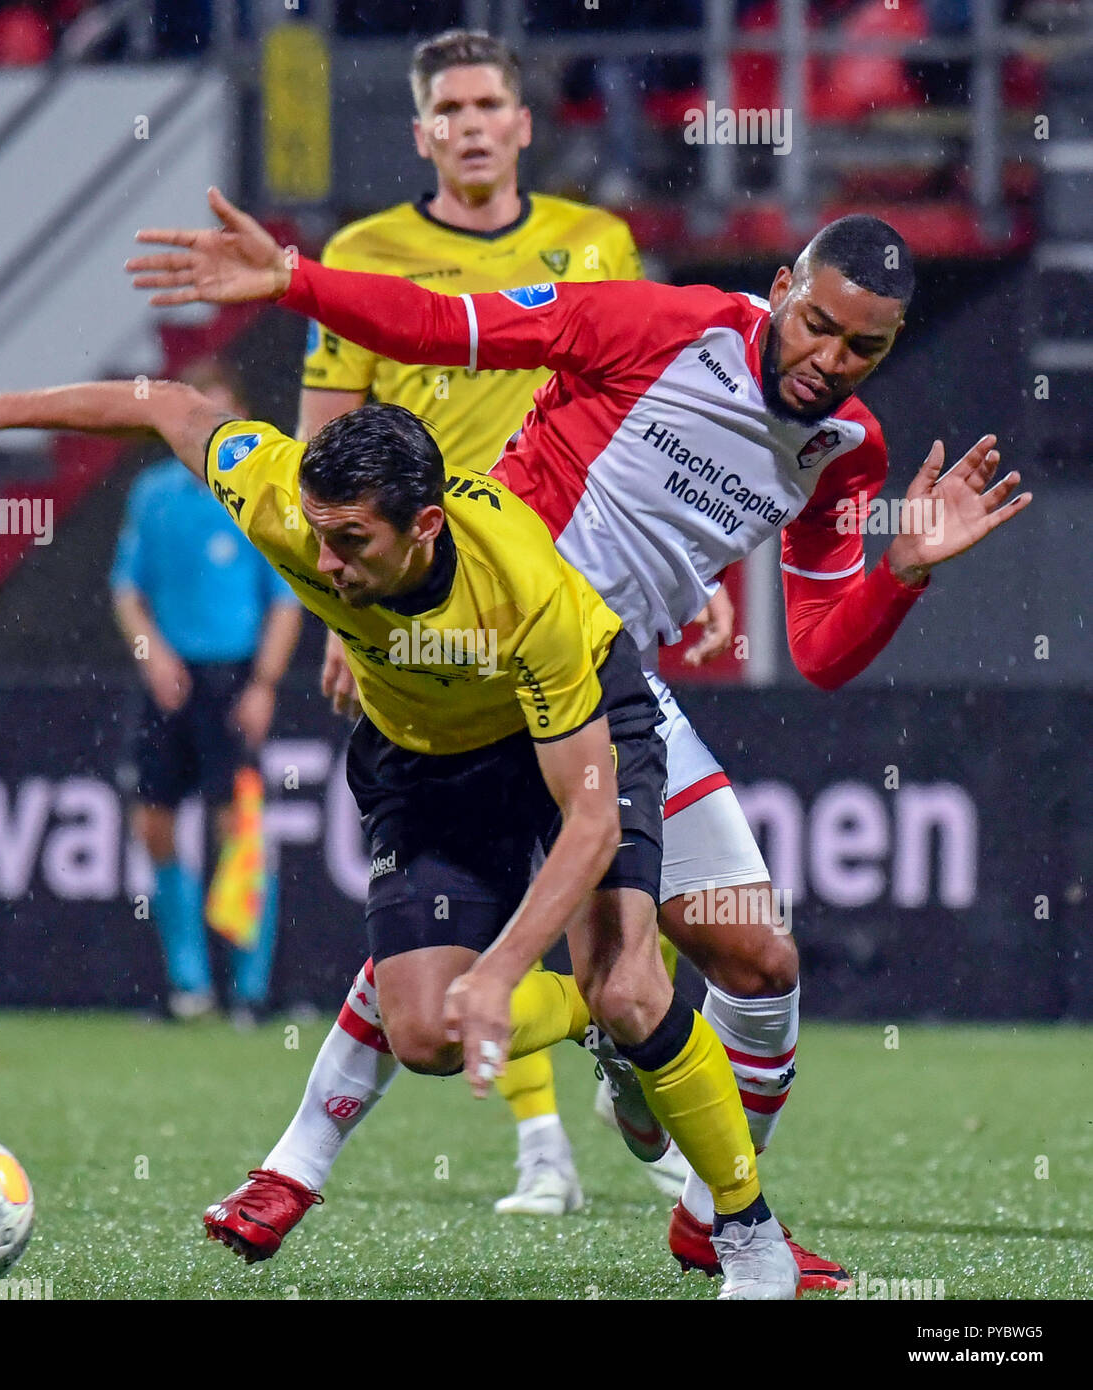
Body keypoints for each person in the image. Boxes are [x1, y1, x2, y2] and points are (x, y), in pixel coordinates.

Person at [125, 194, 1031, 1288]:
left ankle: (711, 1214)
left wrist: (901, 572)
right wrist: (293, 283)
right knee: (495, 988)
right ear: (785, 283)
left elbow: (824, 652)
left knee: (760, 959)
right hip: (489, 669)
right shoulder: (657, 324)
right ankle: (305, 1157)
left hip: (614, 690)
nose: (830, 359)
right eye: (820, 324)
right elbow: (439, 325)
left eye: (864, 347)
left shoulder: (845, 449)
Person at [0, 384, 802, 1300]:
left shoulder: (523, 588)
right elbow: (166, 406)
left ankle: (750, 1235)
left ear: (425, 525)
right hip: (424, 756)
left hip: (579, 734)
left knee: (632, 987)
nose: (324, 562)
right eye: (319, 534)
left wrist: (498, 974)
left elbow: (590, 817)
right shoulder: (288, 500)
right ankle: (585, 1016)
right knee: (425, 1033)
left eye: (352, 543)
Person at [296, 25, 732, 1219]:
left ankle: (604, 1066)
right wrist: (345, 612)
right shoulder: (364, 252)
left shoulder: (594, 245)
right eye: (452, 107)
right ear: (425, 127)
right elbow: (320, 444)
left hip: (568, 601)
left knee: (604, 881)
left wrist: (696, 556)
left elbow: (661, 412)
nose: (475, 123)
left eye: (493, 102)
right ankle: (545, 1145)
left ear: (524, 122)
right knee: (484, 878)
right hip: (426, 614)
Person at [109, 358, 302, 1020]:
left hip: (234, 678)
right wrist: (151, 655)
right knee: (154, 824)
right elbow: (127, 591)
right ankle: (190, 986)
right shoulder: (153, 495)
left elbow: (286, 600)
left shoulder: (255, 496)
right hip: (169, 679)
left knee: (240, 829)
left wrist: (266, 684)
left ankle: (251, 991)